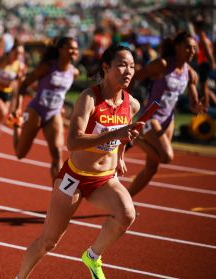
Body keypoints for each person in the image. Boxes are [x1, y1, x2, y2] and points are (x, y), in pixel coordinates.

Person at [16, 45, 143, 279]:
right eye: (122, 65)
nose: (128, 71)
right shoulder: (89, 98)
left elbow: (125, 133)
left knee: (127, 214)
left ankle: (92, 257)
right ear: (106, 67)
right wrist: (116, 135)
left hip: (104, 179)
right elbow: (73, 142)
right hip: (74, 178)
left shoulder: (131, 104)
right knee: (49, 241)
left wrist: (121, 154)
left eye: (132, 66)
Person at [128, 31, 204, 197]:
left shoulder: (190, 73)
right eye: (188, 47)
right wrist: (125, 101)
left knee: (151, 168)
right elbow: (135, 76)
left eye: (194, 48)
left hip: (168, 120)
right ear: (177, 47)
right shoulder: (162, 64)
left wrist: (196, 106)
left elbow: (192, 100)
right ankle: (133, 137)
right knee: (166, 157)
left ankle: (123, 200)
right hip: (151, 117)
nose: (192, 51)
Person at [12, 37, 79, 183]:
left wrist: (59, 105)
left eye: (75, 48)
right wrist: (17, 107)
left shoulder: (74, 72)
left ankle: (57, 194)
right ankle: (16, 125)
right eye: (70, 48)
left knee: (57, 154)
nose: (74, 51)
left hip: (53, 113)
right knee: (20, 154)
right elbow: (24, 85)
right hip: (36, 110)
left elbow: (61, 92)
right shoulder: (48, 66)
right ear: (60, 49)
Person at [193, 18, 214, 107]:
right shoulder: (203, 38)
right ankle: (207, 104)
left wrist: (212, 62)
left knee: (203, 86)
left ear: (198, 28)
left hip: (204, 64)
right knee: (204, 86)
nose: (194, 30)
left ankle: (206, 105)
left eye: (195, 28)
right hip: (204, 63)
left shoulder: (202, 38)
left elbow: (208, 51)